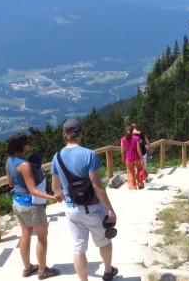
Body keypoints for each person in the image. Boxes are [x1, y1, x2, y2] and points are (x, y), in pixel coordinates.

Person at [51, 119, 119, 281]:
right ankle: (108, 271)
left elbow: (55, 188)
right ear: (80, 133)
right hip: (93, 207)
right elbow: (97, 185)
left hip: (72, 208)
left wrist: (62, 195)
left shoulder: (57, 157)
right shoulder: (89, 154)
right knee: (104, 241)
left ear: (64, 135)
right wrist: (109, 208)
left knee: (78, 248)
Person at [5, 132, 62, 280]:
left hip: (17, 203)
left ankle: (28, 268)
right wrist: (52, 197)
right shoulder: (24, 165)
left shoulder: (9, 162)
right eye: (27, 142)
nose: (29, 144)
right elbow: (33, 190)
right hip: (31, 205)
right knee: (42, 238)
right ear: (23, 146)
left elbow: (11, 183)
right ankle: (43, 271)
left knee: (26, 234)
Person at [121, 125, 143, 190]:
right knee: (139, 170)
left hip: (128, 159)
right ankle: (140, 184)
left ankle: (132, 186)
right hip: (137, 158)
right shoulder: (136, 138)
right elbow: (139, 149)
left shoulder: (123, 139)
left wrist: (123, 159)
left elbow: (122, 151)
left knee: (130, 172)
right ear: (132, 130)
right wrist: (141, 158)